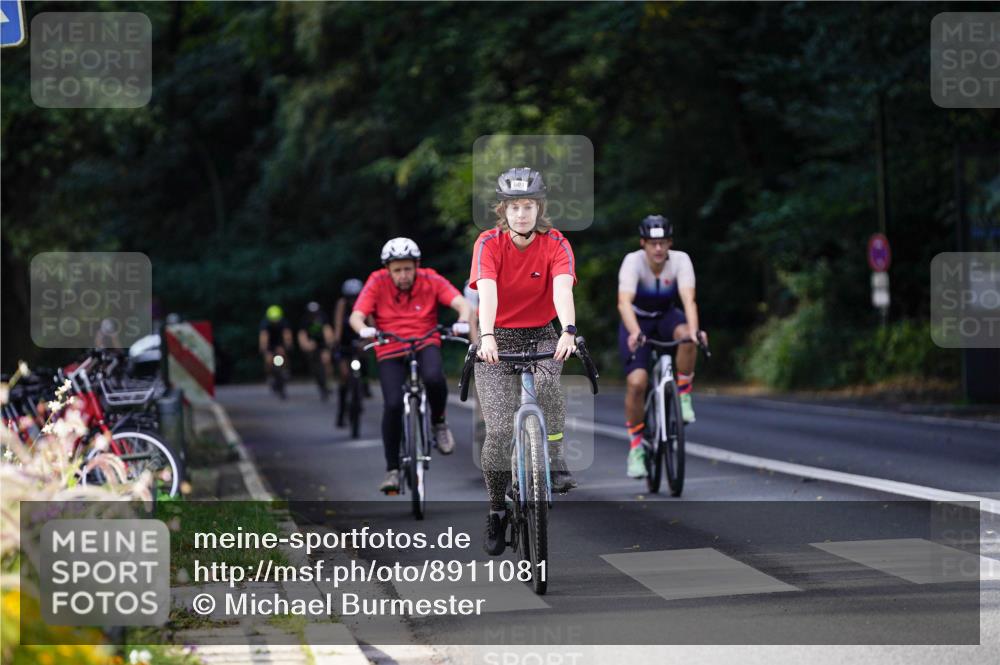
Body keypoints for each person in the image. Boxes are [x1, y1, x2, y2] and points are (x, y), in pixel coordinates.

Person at [469, 166, 579, 556]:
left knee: (548, 385)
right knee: (498, 431)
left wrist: (567, 329)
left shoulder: (556, 243)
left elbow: (562, 289)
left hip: (542, 334)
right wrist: (486, 337)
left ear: (539, 207)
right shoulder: (488, 243)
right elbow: (488, 293)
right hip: (495, 339)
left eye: (528, 205)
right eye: (514, 206)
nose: (521, 214)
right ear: (503, 209)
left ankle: (554, 455)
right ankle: (497, 511)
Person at [349, 238, 472, 493]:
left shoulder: (430, 279)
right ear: (387, 270)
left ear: (416, 266)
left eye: (407, 269)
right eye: (397, 270)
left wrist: (461, 319)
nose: (403, 275)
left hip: (425, 340)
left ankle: (439, 423)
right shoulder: (376, 281)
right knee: (393, 404)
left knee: (434, 378)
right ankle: (392, 470)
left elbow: (461, 303)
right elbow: (356, 316)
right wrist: (364, 330)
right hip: (390, 346)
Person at [617, 214, 707, 479]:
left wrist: (695, 330)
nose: (658, 249)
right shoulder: (632, 262)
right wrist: (634, 332)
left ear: (670, 243)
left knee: (688, 337)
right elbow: (624, 303)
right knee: (637, 382)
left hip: (667, 316)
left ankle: (684, 394)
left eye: (663, 243)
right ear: (643, 243)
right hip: (638, 321)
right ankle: (636, 449)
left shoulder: (681, 260)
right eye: (652, 244)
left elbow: (689, 300)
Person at [332, 278, 369, 426]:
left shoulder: (365, 304)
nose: (353, 301)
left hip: (361, 341)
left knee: (365, 358)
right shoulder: (342, 305)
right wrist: (336, 342)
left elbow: (370, 323)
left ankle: (364, 386)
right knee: (344, 375)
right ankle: (341, 413)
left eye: (356, 297)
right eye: (350, 298)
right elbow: (338, 324)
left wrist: (368, 340)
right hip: (345, 343)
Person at [297, 301, 335, 400]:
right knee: (315, 367)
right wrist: (306, 345)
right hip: (311, 345)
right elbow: (302, 335)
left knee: (326, 360)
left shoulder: (323, 318)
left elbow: (328, 332)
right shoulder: (304, 321)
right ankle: (320, 385)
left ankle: (328, 381)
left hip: (323, 344)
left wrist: (328, 346)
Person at [259, 304, 293, 380]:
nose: (274, 321)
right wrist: (264, 348)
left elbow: (287, 335)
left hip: (280, 343)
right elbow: (263, 337)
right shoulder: (265, 324)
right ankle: (269, 375)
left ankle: (285, 370)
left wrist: (288, 345)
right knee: (268, 360)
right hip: (270, 344)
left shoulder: (284, 322)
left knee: (283, 353)